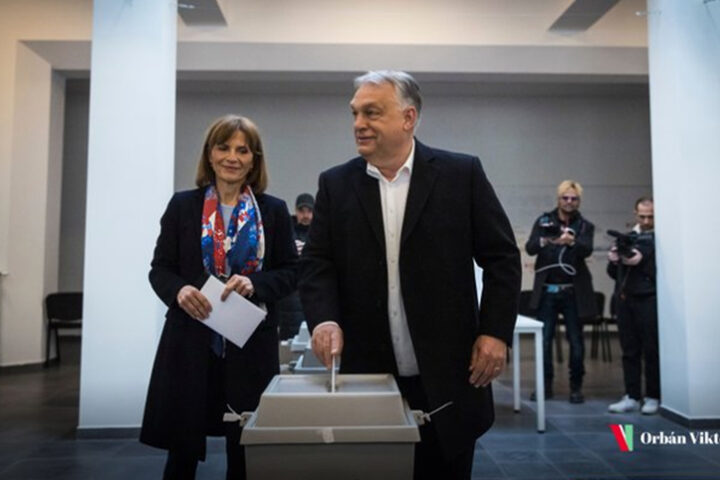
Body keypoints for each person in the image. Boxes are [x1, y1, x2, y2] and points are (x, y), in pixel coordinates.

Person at [299, 70, 521, 480]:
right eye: (354, 113)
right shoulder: (336, 184)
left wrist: (495, 332)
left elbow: (502, 258)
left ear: (408, 118)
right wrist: (324, 319)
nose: (358, 123)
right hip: (367, 373)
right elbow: (317, 263)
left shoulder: (461, 175)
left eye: (371, 113)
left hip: (448, 374)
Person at [140, 115, 297, 480]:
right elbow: (160, 268)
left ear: (254, 160)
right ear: (209, 154)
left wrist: (254, 283)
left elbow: (292, 271)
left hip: (249, 345)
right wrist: (179, 290)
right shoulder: (183, 206)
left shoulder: (273, 210)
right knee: (182, 452)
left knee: (245, 448)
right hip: (191, 341)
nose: (232, 157)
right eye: (224, 148)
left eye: (243, 150)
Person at [525, 180, 596, 404]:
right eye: (565, 198)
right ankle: (544, 386)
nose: (569, 202)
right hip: (547, 291)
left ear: (579, 201)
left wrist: (572, 242)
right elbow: (530, 248)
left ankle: (576, 387)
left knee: (576, 341)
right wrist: (547, 239)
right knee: (544, 340)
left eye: (574, 198)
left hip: (573, 292)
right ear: (558, 199)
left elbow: (587, 249)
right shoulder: (544, 221)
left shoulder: (584, 226)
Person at [607, 197, 660, 414]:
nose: (646, 221)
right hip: (625, 298)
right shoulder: (628, 238)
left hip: (648, 298)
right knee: (629, 350)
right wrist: (614, 259)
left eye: (651, 217)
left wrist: (638, 258)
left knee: (651, 349)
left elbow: (641, 261)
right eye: (642, 216)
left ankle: (653, 395)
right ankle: (632, 395)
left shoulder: (661, 238)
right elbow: (614, 273)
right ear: (635, 214)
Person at [273, 193, 315, 339]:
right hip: (289, 293)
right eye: (302, 211)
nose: (306, 215)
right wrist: (291, 249)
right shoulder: (285, 230)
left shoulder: (320, 232)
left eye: (309, 211)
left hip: (311, 290)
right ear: (296, 211)